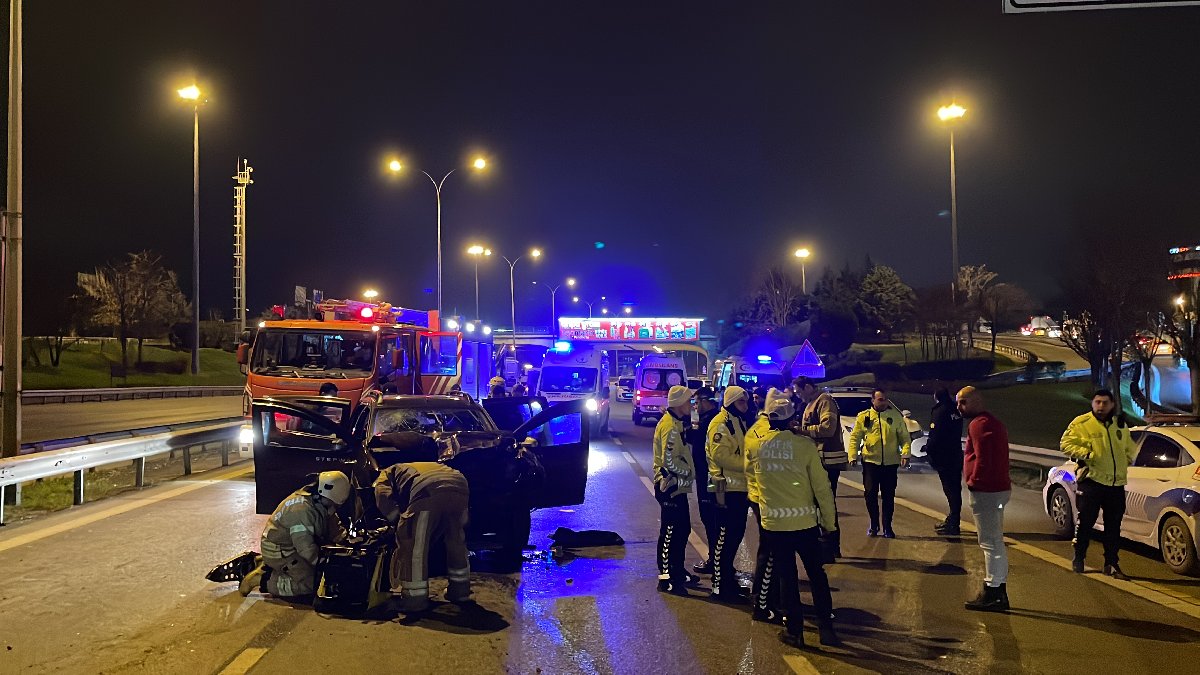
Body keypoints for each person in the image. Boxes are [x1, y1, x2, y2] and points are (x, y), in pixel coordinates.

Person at [745, 388, 840, 647]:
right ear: (791, 419)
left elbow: (754, 485)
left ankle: (794, 632)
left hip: (775, 526)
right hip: (805, 524)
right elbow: (822, 489)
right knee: (817, 575)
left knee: (787, 578)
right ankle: (826, 629)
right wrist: (829, 524)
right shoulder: (804, 447)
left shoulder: (758, 447)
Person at [374, 461, 472, 612]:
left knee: (415, 547)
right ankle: (460, 592)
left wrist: (396, 520)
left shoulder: (386, 473)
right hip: (460, 486)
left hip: (428, 490)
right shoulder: (414, 468)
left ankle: (414, 600)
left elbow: (382, 495)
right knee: (456, 540)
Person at [1060, 389, 1138, 579]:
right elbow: (1065, 444)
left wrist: (1127, 459)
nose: (1101, 406)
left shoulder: (1119, 424)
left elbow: (1129, 447)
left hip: (1115, 483)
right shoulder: (1082, 423)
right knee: (1086, 523)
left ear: (1112, 405)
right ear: (1092, 403)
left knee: (1113, 527)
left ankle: (1111, 563)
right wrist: (1087, 454)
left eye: (1105, 403)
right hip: (1092, 482)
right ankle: (1079, 557)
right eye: (1097, 402)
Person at [239, 471, 350, 600]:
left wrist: (346, 540)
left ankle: (265, 565)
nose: (334, 508)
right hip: (281, 552)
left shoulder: (320, 502)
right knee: (312, 582)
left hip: (291, 547)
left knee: (320, 572)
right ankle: (262, 579)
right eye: (332, 504)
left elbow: (333, 525)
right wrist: (324, 565)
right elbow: (306, 548)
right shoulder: (301, 510)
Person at [957, 386, 1012, 612]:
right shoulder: (992, 422)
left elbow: (983, 458)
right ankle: (998, 590)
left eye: (963, 402)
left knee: (990, 542)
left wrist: (974, 481)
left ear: (977, 401)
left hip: (986, 491)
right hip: (997, 488)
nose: (959, 407)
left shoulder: (979, 424)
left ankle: (993, 591)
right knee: (995, 541)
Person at [705, 385, 751, 602]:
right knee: (724, 539)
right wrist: (749, 464)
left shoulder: (736, 420)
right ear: (731, 402)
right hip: (726, 489)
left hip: (738, 488)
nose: (746, 405)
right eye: (741, 401)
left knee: (734, 537)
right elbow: (721, 456)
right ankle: (720, 587)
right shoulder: (721, 424)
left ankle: (726, 582)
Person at [793, 376, 848, 560]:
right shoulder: (812, 403)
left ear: (808, 387)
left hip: (827, 461)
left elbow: (828, 428)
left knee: (826, 505)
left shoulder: (824, 401)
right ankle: (825, 547)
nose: (798, 396)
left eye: (799, 392)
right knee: (819, 505)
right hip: (819, 461)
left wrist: (801, 431)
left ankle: (830, 548)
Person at [848, 388, 911, 538]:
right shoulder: (864, 416)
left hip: (890, 463)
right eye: (880, 399)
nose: (884, 402)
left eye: (885, 399)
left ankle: (887, 527)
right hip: (870, 461)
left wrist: (906, 454)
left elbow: (904, 438)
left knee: (888, 496)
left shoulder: (895, 416)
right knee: (870, 494)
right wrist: (852, 456)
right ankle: (874, 524)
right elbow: (855, 437)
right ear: (873, 401)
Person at [653, 384, 697, 594]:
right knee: (670, 533)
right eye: (689, 401)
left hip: (677, 486)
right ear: (679, 403)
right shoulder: (670, 426)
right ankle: (666, 579)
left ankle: (677, 571)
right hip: (669, 485)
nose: (692, 405)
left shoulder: (677, 423)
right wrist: (688, 471)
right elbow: (669, 461)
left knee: (682, 529)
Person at [687, 386, 721, 576]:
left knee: (710, 518)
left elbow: (699, 441)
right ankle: (717, 559)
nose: (695, 406)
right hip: (707, 476)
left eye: (697, 402)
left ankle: (716, 560)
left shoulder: (711, 422)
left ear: (706, 401)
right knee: (711, 518)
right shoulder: (711, 419)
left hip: (709, 478)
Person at [927, 387, 966, 536]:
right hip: (955, 454)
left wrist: (928, 449)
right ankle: (953, 519)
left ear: (936, 396)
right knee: (955, 489)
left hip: (944, 457)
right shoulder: (955, 410)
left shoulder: (940, 411)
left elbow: (935, 434)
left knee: (950, 490)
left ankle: (953, 523)